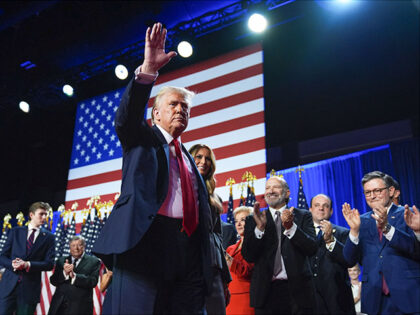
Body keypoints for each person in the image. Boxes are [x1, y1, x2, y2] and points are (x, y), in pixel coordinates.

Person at [92, 23, 214, 314]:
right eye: (173, 104)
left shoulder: (187, 157)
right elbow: (126, 118)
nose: (180, 110)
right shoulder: (141, 138)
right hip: (145, 242)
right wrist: (148, 70)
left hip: (187, 249)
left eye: (185, 107)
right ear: (155, 113)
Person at [342, 171, 420, 314]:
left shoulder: (407, 215)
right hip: (375, 300)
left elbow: (416, 250)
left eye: (377, 190)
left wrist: (387, 228)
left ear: (390, 191)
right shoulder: (361, 221)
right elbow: (348, 260)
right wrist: (353, 231)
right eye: (367, 192)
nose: (372, 196)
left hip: (407, 295)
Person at [241, 176, 317, 314]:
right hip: (265, 293)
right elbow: (248, 255)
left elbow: (312, 248)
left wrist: (291, 228)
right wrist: (260, 229)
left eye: (275, 187)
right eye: (267, 188)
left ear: (287, 193)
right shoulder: (254, 219)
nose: (270, 191)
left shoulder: (303, 216)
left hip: (298, 294)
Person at [189, 143, 232, 315]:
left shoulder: (215, 197)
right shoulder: (180, 188)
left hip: (213, 267)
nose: (203, 161)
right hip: (190, 266)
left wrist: (224, 277)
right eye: (199, 157)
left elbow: (218, 237)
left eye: (208, 158)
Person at [0, 201, 55, 315]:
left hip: (29, 290)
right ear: (31, 215)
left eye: (46, 214)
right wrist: (12, 264)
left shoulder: (49, 237)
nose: (44, 217)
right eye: (41, 214)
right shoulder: (15, 231)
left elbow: (49, 264)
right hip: (8, 287)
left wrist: (27, 264)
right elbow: (2, 256)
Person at [308, 194, 355, 315]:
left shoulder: (343, 233)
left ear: (331, 211)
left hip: (337, 300)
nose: (321, 208)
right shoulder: (302, 233)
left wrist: (331, 240)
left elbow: (348, 261)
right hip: (309, 299)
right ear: (310, 210)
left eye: (325, 206)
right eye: (317, 205)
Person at [48, 235, 100, 315]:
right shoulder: (61, 261)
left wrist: (74, 276)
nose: (76, 248)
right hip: (59, 306)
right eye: (73, 245)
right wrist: (64, 273)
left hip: (80, 307)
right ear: (69, 247)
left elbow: (93, 281)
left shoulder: (94, 262)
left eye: (79, 245)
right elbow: (53, 281)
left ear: (84, 247)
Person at [225, 206, 254, 315]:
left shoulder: (254, 245)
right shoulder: (230, 249)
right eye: (236, 221)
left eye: (243, 220)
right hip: (230, 299)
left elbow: (246, 271)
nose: (238, 224)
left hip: (246, 298)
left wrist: (226, 257)